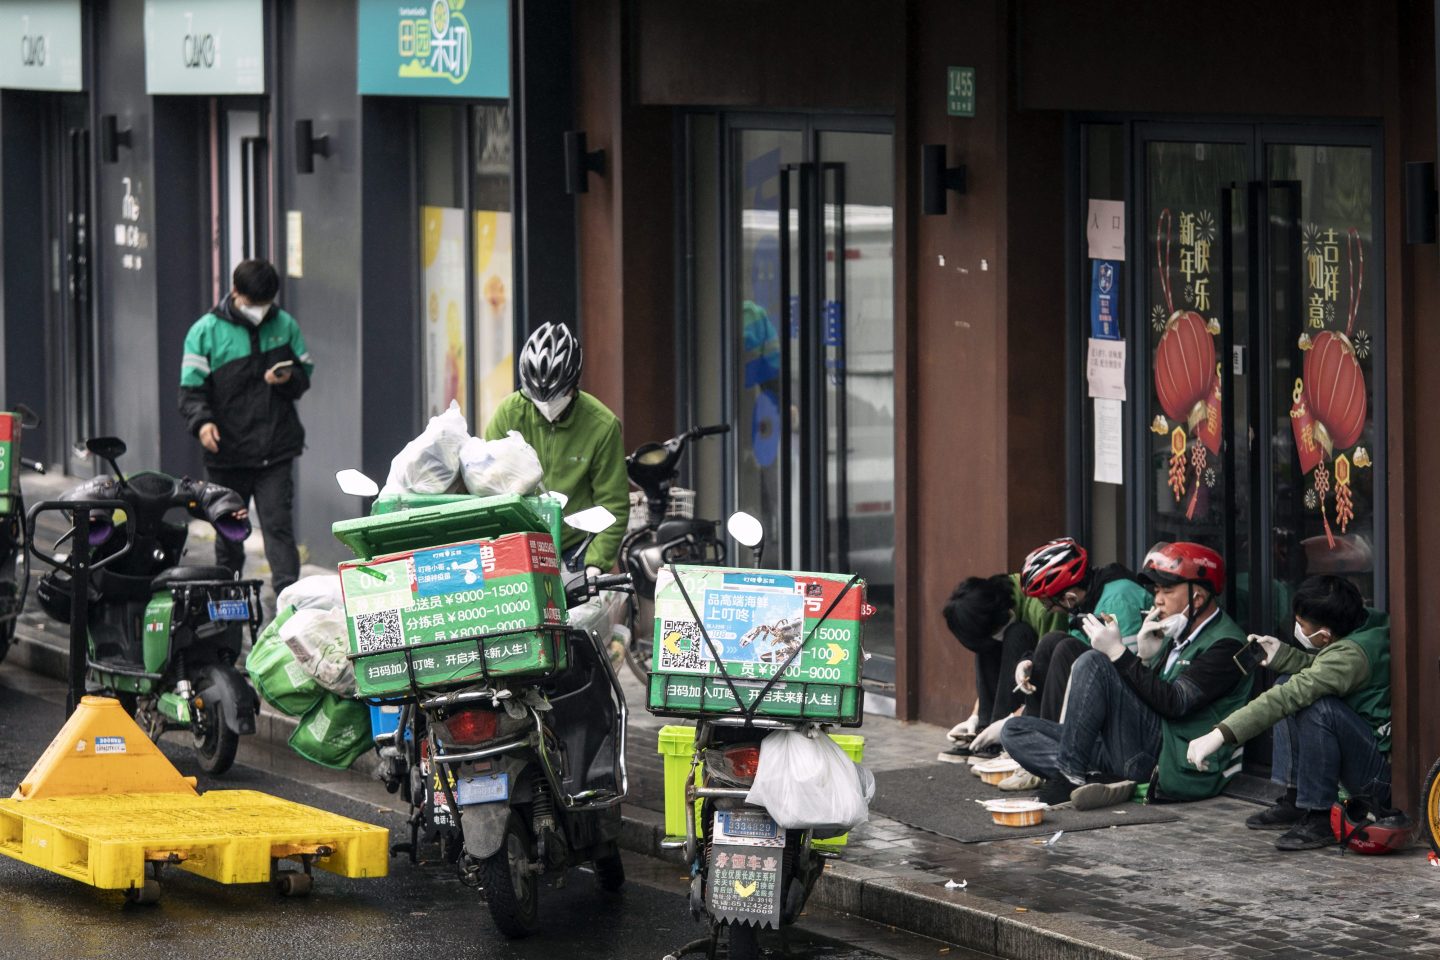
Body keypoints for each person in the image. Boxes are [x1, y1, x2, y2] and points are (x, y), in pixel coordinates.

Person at [1001, 542, 1253, 810]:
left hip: (1170, 757)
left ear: (1198, 598)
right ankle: (1095, 777)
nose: (1157, 599)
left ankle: (1070, 776)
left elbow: (1175, 703)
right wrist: (1146, 658)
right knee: (1014, 731)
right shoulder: (1178, 633)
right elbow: (1148, 697)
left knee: (1094, 660)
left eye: (1167, 591)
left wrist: (1121, 654)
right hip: (1133, 745)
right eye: (1156, 590)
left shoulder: (1228, 644)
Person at [1185, 575, 1392, 851]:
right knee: (1286, 681)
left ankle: (1320, 817)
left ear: (1325, 634)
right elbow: (1327, 667)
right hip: (1368, 750)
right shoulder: (1364, 623)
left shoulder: (1352, 655)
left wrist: (1221, 733)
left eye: (1303, 625)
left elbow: (1300, 689)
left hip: (1378, 778)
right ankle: (1296, 801)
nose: (1297, 628)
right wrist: (1284, 655)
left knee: (1314, 706)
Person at [179, 258, 312, 597]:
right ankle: (227, 601)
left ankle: (288, 604)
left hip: (275, 451)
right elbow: (191, 392)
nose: (261, 311)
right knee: (229, 535)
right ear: (235, 292)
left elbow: (304, 375)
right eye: (255, 303)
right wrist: (203, 423)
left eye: (267, 303)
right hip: (227, 453)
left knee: (279, 529)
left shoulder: (284, 324)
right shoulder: (205, 332)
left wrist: (287, 378)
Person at [484, 322, 629, 570]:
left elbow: (613, 504)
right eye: (537, 397)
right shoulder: (508, 414)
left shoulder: (602, 425)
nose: (547, 405)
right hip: (518, 540)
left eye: (556, 396)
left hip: (576, 546)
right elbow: (484, 483)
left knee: (585, 608)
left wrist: (596, 563)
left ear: (573, 387)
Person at [938, 572, 1065, 763]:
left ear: (1005, 614)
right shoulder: (990, 601)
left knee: (1017, 633)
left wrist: (1009, 722)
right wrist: (974, 716)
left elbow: (1052, 673)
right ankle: (983, 728)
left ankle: (1000, 738)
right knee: (988, 646)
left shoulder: (1043, 607)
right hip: (1018, 688)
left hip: (1040, 691)